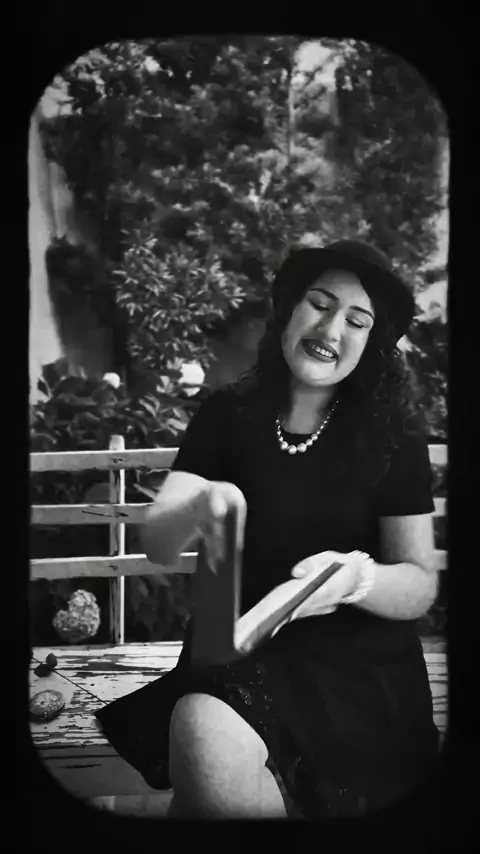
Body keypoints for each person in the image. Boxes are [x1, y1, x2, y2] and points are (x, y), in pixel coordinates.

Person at [95, 240, 441, 821]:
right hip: (240, 649)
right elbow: (158, 543)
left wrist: (355, 579)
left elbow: (419, 585)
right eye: (320, 304)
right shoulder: (228, 413)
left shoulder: (393, 432)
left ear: (371, 342)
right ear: (289, 307)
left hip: (358, 670)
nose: (331, 328)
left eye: (357, 320)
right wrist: (203, 504)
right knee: (202, 737)